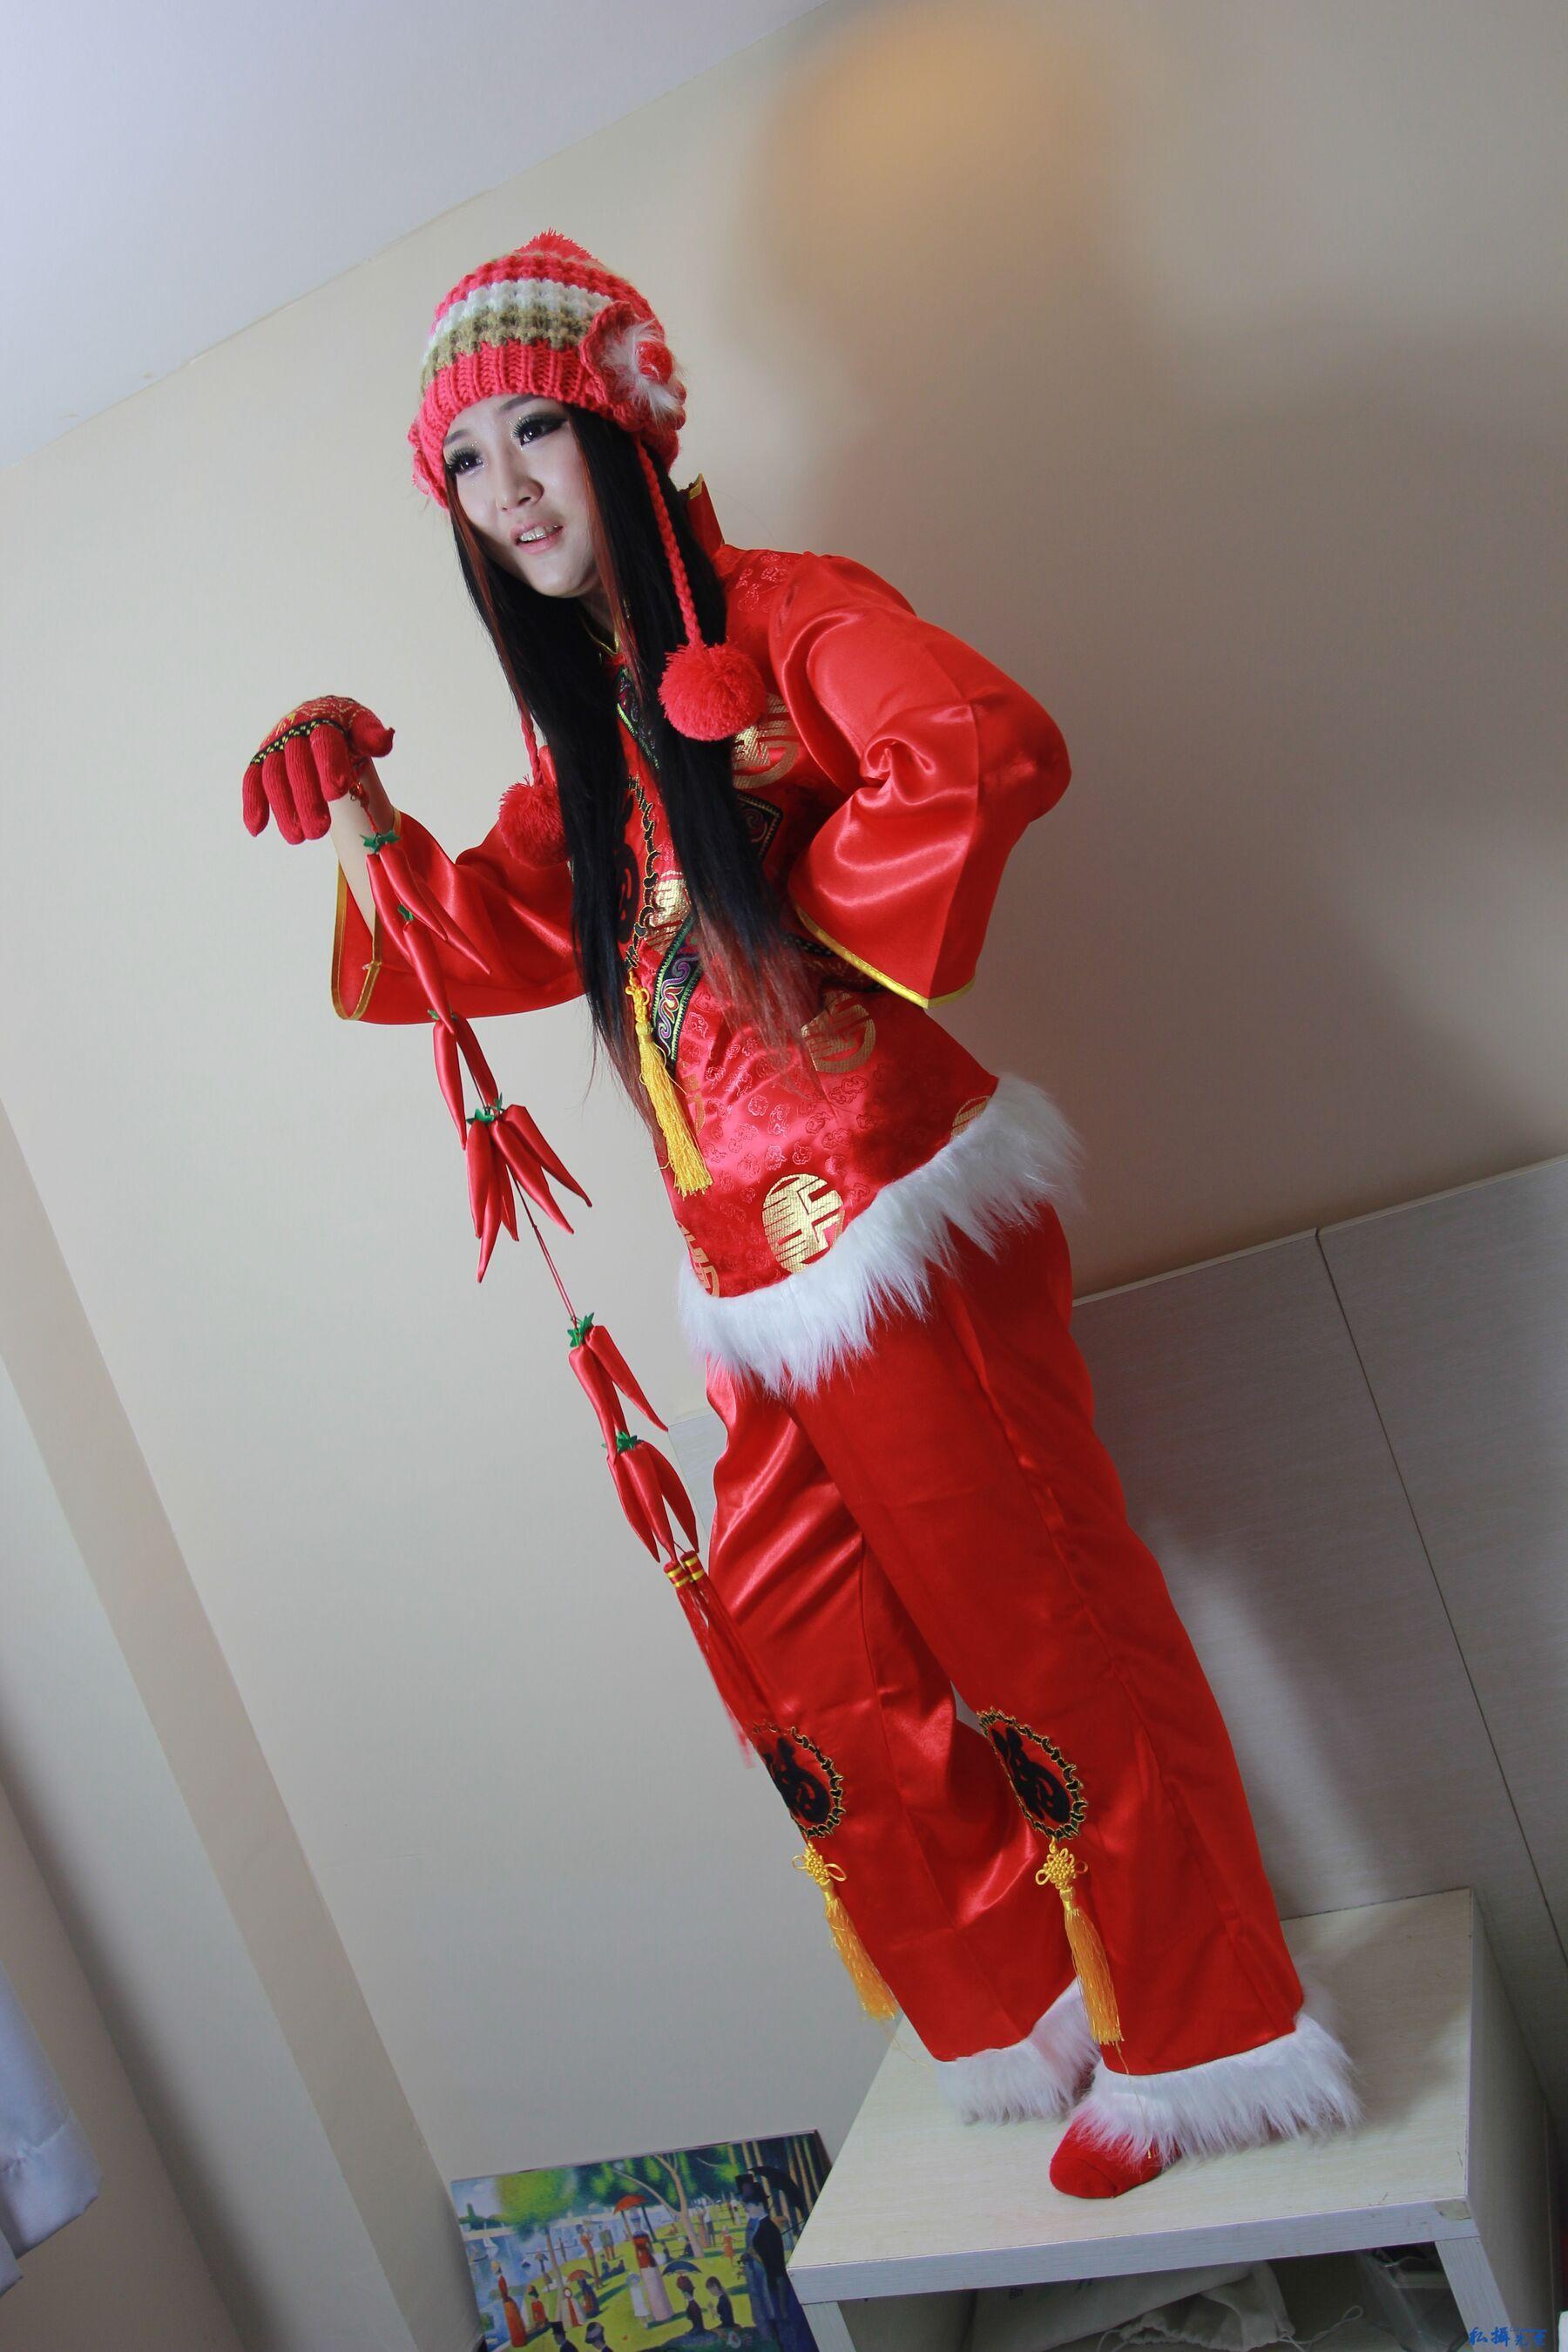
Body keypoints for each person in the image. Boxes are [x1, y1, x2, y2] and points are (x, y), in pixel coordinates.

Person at [241, 229, 1362, 2197]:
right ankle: (1026, 2011)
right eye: (465, 468)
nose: (506, 493)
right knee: (812, 1656)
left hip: (897, 1218)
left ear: (624, 422)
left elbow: (982, 746)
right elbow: (486, 934)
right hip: (746, 1271)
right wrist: (365, 824)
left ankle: (1208, 2041)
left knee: (1049, 1636)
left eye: (534, 435)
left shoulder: (787, 609)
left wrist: (790, 915)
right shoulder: (586, 724)